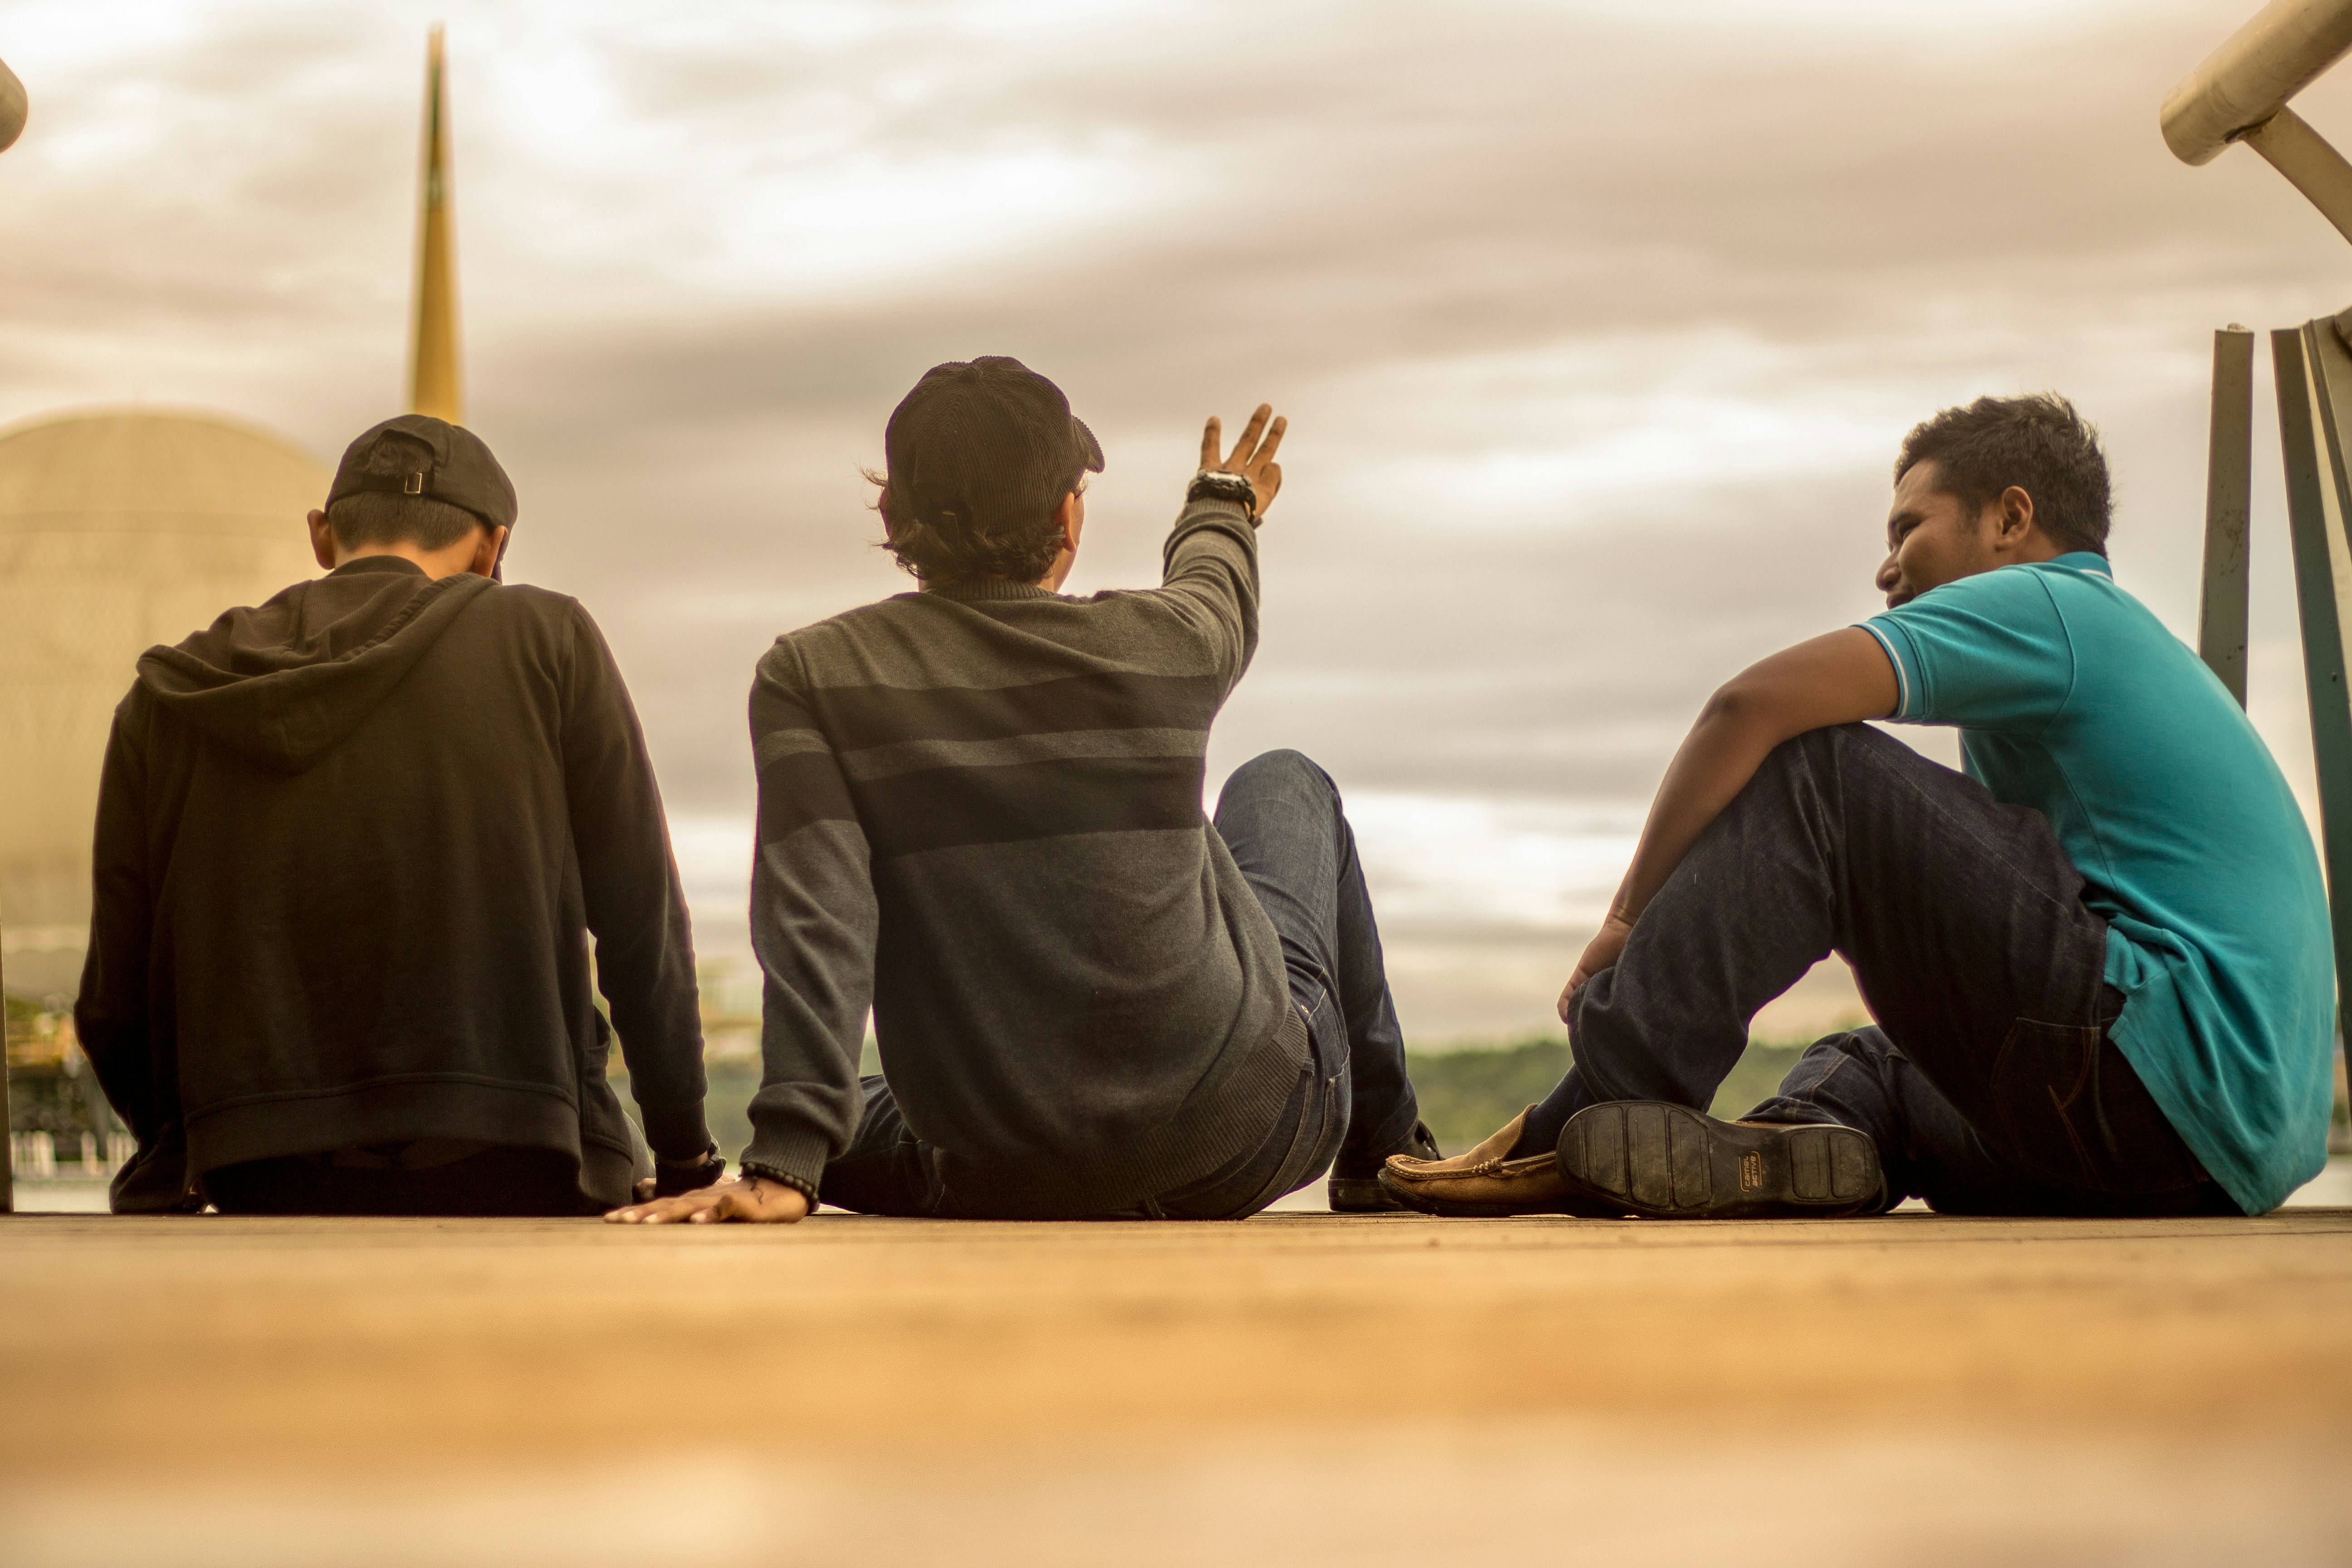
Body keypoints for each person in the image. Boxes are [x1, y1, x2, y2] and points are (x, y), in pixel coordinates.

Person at [1382, 393, 2333, 1221]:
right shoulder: (2112, 647)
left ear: (2012, 519)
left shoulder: (2054, 606)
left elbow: (1746, 706)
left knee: (1824, 774)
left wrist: (1626, 921)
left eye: (1908, 529)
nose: (1886, 569)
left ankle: (1590, 1111)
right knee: (1864, 1066)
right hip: (2202, 1156)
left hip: (2150, 1078)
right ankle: (1791, 1152)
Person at [610, 356, 1436, 1225]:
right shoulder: (1166, 646)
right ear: (1066, 516)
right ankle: (1384, 1155)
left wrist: (785, 1162)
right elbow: (1216, 587)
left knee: (860, 1114)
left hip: (996, 1169)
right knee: (1284, 781)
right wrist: (1220, 500)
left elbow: (818, 913)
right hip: (1241, 1135)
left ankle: (803, 1147)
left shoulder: (816, 676)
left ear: (893, 515)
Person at [77, 415, 725, 1215]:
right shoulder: (546, 637)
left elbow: (115, 989)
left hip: (265, 1163)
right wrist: (686, 1153)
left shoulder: (174, 689)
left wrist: (175, 1146)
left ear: (322, 536)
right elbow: (640, 921)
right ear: (494, 547)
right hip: (520, 1148)